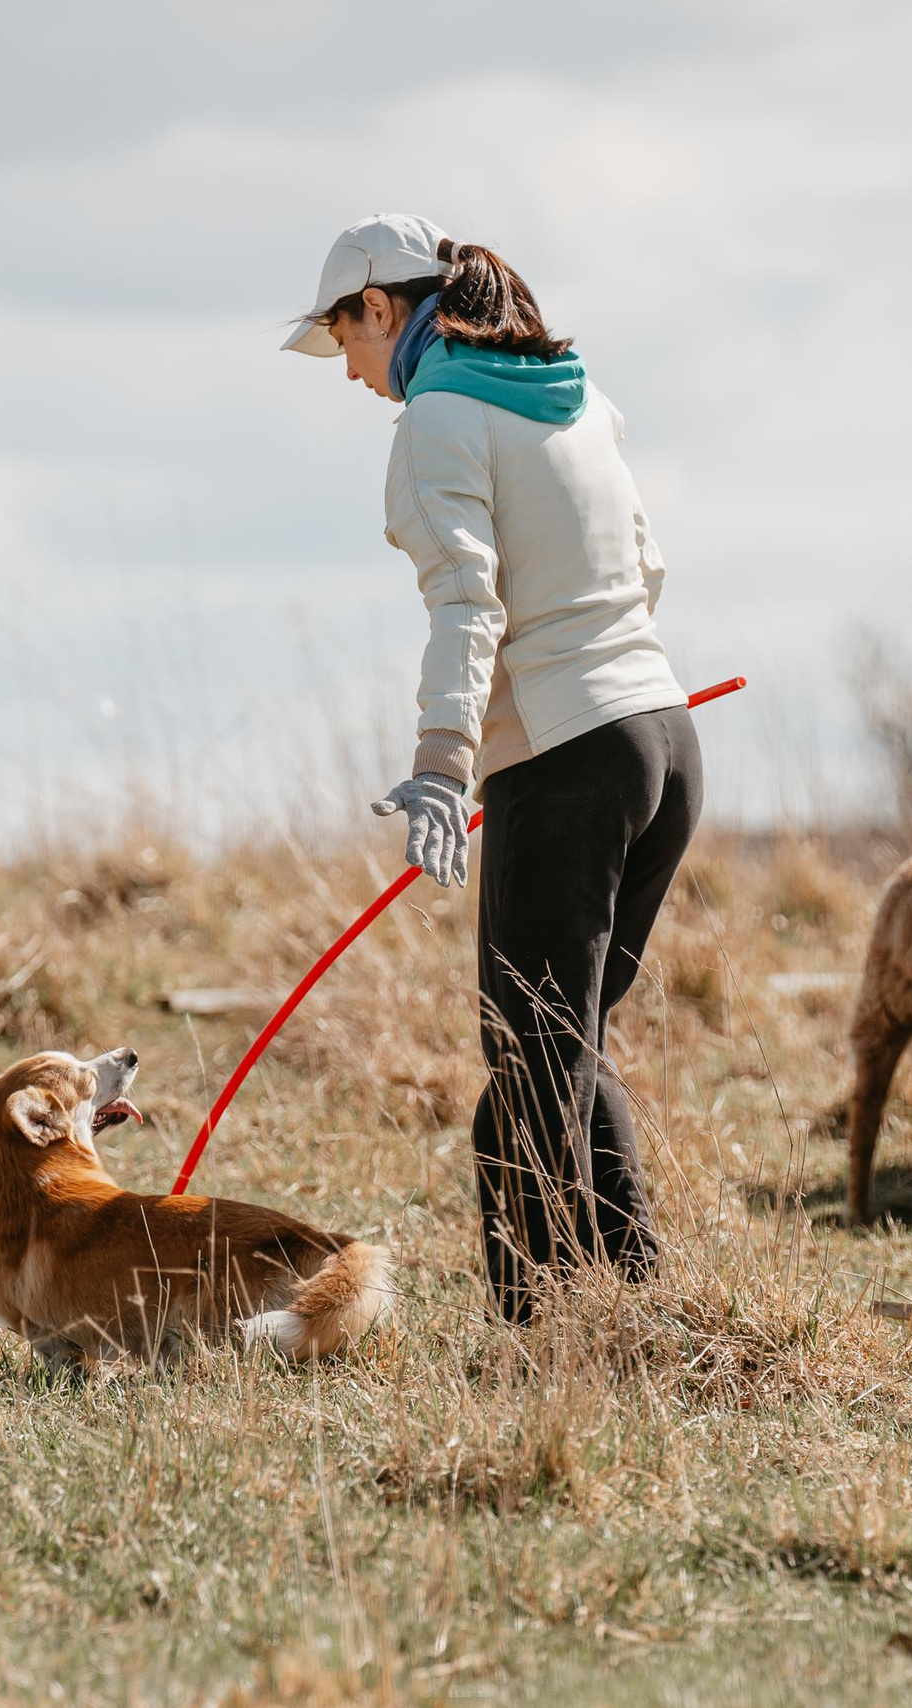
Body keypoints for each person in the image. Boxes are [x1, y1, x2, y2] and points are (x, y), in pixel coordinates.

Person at [282, 213, 700, 1323]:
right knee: (561, 1052)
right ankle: (641, 1304)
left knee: (530, 1062)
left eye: (347, 339)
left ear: (384, 306)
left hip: (568, 762)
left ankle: (540, 1340)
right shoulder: (578, 394)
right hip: (662, 740)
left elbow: (468, 608)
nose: (354, 375)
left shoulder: (437, 421)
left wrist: (439, 765)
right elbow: (647, 562)